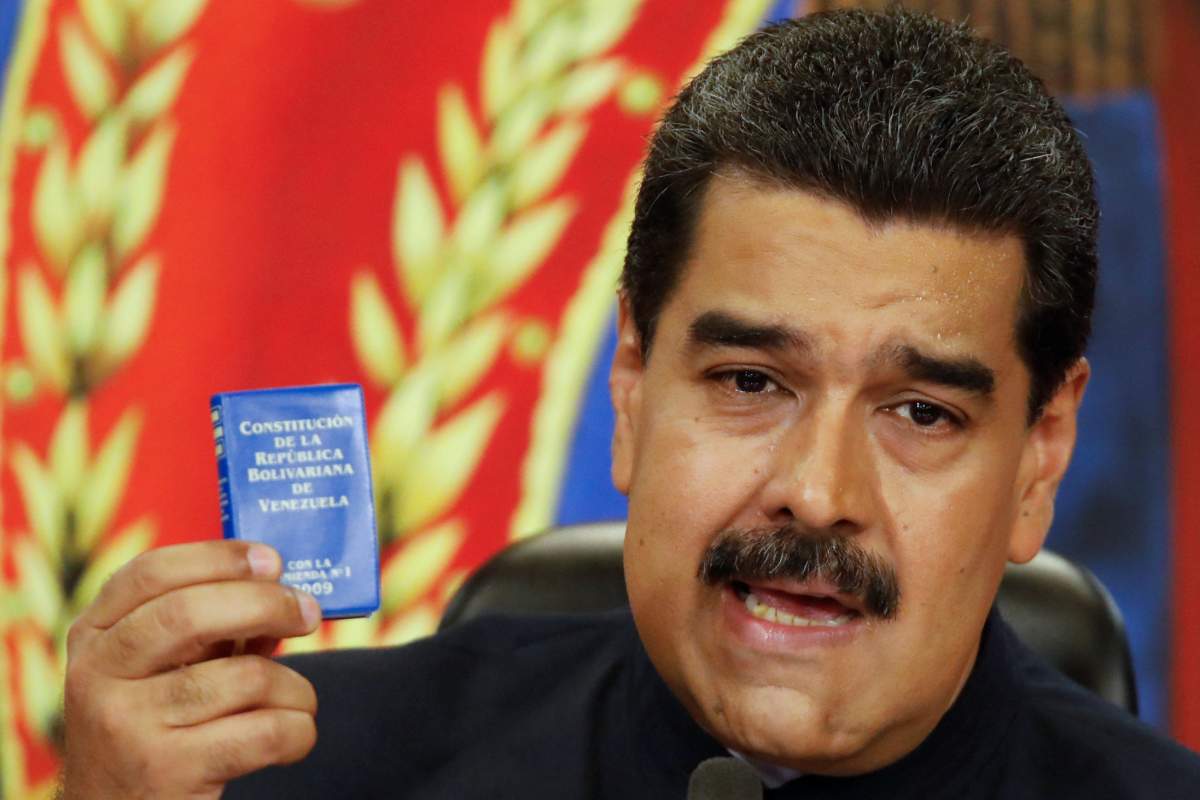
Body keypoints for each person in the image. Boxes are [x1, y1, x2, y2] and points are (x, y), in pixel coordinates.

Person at [60, 8, 1200, 798]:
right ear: (631, 385)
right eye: (752, 381)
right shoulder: (293, 769)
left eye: (921, 413)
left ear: (1042, 455)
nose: (817, 491)